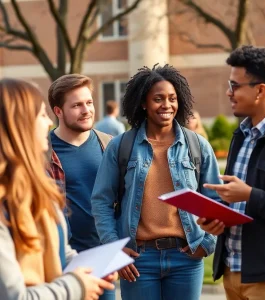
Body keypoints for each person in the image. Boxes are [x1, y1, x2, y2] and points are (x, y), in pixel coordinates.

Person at [91, 64, 221, 300]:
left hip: (187, 257)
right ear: (143, 103)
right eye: (158, 99)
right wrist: (115, 249)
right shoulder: (121, 147)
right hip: (139, 259)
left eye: (172, 98)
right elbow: (101, 202)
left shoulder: (197, 146)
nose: (166, 105)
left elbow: (216, 200)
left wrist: (207, 243)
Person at [198, 45, 265, 299]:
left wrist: (249, 195)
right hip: (233, 273)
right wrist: (216, 216)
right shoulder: (242, 133)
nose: (228, 92)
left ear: (260, 90)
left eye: (235, 86)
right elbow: (240, 198)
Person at [0, 78, 116, 300]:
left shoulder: (37, 188)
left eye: (89, 103)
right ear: (20, 126)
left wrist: (89, 269)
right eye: (42, 115)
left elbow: (59, 251)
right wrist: (76, 285)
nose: (47, 123)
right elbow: (14, 295)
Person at [47, 74, 114, 300]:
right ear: (58, 112)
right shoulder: (41, 151)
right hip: (61, 262)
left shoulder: (109, 144)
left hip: (103, 258)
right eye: (76, 105)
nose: (86, 110)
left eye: (89, 102)